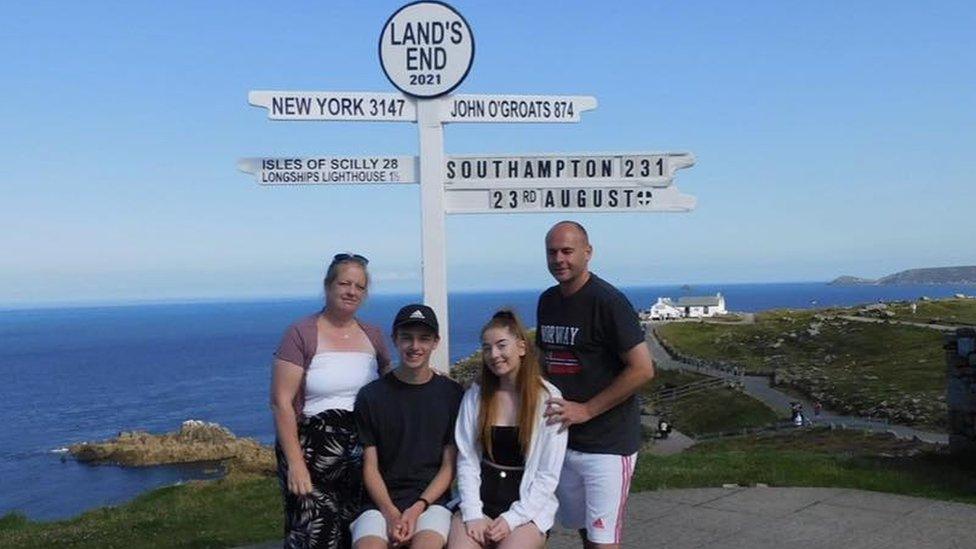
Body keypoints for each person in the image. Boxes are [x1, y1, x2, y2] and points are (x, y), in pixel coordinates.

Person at [536, 221, 655, 549]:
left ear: (588, 253)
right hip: (563, 440)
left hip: (608, 444)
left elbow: (643, 369)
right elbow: (544, 359)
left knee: (603, 540)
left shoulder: (608, 302)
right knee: (586, 532)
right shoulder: (548, 301)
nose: (559, 259)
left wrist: (587, 410)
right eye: (552, 252)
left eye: (567, 251)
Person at [271, 253, 392, 549]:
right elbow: (281, 402)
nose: (352, 291)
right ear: (328, 286)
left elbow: (391, 384)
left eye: (360, 287)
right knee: (316, 536)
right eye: (345, 283)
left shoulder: (373, 335)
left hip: (361, 453)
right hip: (312, 453)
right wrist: (296, 464)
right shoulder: (301, 333)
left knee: (357, 533)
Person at [449, 310, 568, 549]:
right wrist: (473, 513)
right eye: (486, 348)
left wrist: (512, 518)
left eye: (501, 345)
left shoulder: (548, 398)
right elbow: (467, 459)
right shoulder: (477, 395)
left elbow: (547, 475)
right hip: (479, 501)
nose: (494, 355)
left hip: (527, 506)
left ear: (522, 347)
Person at [351, 304, 463, 549]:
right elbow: (370, 466)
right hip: (378, 504)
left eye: (424, 339)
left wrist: (417, 507)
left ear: (436, 342)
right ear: (395, 340)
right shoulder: (371, 396)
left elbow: (448, 466)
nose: (415, 347)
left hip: (431, 503)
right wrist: (390, 511)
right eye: (407, 338)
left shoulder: (452, 395)